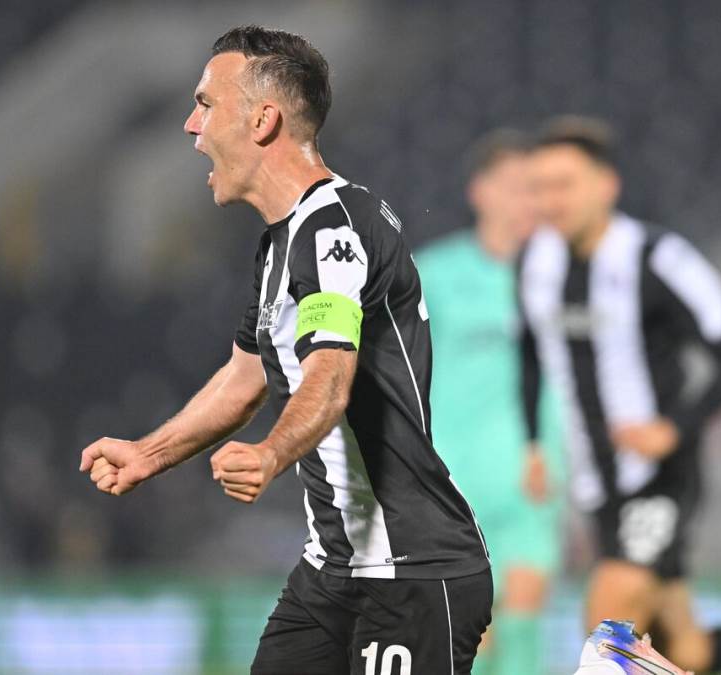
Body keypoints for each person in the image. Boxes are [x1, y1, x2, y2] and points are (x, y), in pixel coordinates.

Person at [79, 25, 492, 674]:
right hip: (332, 571)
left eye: (206, 104)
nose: (191, 125)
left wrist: (271, 453)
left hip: (411, 570)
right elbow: (244, 379)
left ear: (263, 120)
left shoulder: (333, 228)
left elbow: (331, 377)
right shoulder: (282, 244)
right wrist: (148, 453)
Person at [518, 115, 721, 672]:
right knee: (682, 648)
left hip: (658, 478)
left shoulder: (659, 259)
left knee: (606, 629)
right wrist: (533, 443)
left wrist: (671, 429)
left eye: (565, 185)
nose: (551, 201)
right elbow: (531, 353)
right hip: (595, 482)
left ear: (606, 186)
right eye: (541, 187)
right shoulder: (536, 264)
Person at [416, 129, 564, 675]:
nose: (528, 200)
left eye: (536, 188)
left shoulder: (562, 276)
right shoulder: (433, 274)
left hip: (534, 469)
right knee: (474, 629)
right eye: (516, 185)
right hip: (454, 473)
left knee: (524, 610)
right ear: (480, 191)